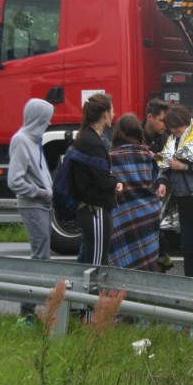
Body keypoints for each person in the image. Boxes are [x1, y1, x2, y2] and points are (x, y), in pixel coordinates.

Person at [7, 98, 55, 324]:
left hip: (42, 204)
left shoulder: (34, 141)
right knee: (40, 258)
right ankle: (25, 313)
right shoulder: (21, 141)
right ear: (37, 119)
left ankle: (30, 311)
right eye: (46, 118)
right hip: (33, 204)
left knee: (43, 256)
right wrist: (40, 192)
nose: (49, 122)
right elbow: (14, 181)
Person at [156, 105, 193, 279]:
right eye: (171, 127)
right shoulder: (172, 141)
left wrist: (184, 167)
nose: (174, 131)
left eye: (177, 127)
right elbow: (165, 165)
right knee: (186, 246)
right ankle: (190, 282)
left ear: (186, 123)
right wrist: (162, 182)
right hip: (181, 197)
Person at [71, 93, 122, 267]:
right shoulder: (93, 143)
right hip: (96, 210)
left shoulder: (85, 137)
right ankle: (94, 294)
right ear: (105, 114)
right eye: (112, 109)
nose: (114, 113)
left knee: (90, 259)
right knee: (97, 264)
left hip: (88, 208)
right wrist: (115, 183)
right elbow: (101, 178)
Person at [108, 114, 162, 272]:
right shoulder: (147, 156)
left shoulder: (111, 158)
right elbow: (154, 181)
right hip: (147, 213)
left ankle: (123, 291)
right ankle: (146, 291)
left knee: (122, 256)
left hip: (122, 213)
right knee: (147, 255)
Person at [141, 98, 174, 272]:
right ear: (149, 117)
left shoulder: (165, 139)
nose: (165, 126)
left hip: (156, 195)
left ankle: (160, 262)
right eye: (162, 121)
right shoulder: (134, 135)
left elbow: (167, 167)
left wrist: (162, 181)